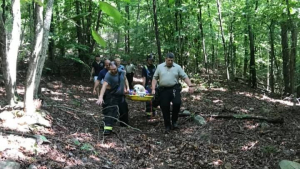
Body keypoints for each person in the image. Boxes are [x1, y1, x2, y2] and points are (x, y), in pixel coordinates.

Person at [151, 52, 195, 133]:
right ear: (165, 59)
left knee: (177, 103)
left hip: (174, 89)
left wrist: (190, 85)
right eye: (168, 60)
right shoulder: (160, 67)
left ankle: (174, 121)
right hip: (163, 90)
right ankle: (167, 125)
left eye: (171, 60)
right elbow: (155, 78)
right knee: (164, 106)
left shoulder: (177, 67)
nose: (170, 62)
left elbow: (184, 76)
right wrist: (153, 88)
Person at [96, 61, 130, 135]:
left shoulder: (122, 72)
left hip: (121, 95)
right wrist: (100, 97)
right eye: (111, 69)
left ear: (117, 67)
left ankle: (124, 125)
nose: (113, 71)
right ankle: (107, 128)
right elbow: (104, 86)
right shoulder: (108, 75)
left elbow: (124, 79)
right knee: (111, 110)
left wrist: (127, 88)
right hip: (111, 95)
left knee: (124, 109)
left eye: (114, 69)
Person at [142, 54, 159, 119]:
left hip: (156, 85)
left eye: (152, 60)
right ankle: (149, 114)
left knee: (157, 99)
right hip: (148, 85)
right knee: (148, 100)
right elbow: (144, 78)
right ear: (147, 60)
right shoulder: (145, 67)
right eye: (149, 60)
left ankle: (154, 111)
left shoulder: (155, 67)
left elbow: (158, 76)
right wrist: (143, 88)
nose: (151, 61)